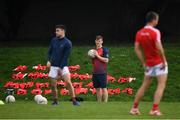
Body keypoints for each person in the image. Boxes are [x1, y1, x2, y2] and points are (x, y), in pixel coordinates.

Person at [130, 11, 168, 116]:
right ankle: (154, 109)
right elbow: (159, 48)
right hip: (158, 62)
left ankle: (134, 108)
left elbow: (136, 49)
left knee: (144, 85)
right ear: (154, 20)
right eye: (157, 19)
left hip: (149, 63)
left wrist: (144, 62)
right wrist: (164, 60)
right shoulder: (155, 32)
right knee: (161, 84)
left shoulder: (139, 32)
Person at [47, 24, 80, 106]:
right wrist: (48, 60)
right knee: (53, 85)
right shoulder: (53, 40)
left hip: (63, 66)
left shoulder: (68, 43)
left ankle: (74, 101)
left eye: (58, 30)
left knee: (68, 82)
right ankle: (55, 101)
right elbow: (49, 52)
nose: (56, 32)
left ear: (63, 31)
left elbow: (66, 57)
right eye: (56, 31)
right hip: (53, 66)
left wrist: (60, 68)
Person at [91, 35, 109, 102]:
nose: (98, 42)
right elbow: (93, 62)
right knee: (97, 88)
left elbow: (106, 60)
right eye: (97, 41)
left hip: (102, 72)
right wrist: (92, 57)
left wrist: (97, 56)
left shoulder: (104, 49)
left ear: (102, 42)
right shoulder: (94, 51)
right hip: (95, 72)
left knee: (104, 88)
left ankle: (105, 103)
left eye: (99, 41)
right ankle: (99, 103)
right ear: (95, 41)